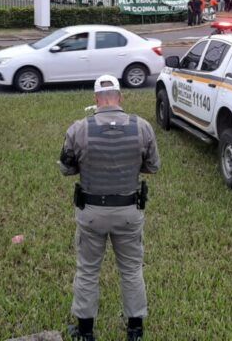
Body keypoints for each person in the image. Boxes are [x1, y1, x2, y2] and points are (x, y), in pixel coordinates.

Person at [59, 75, 161, 341]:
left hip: (91, 213)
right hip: (129, 212)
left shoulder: (79, 129)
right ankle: (135, 331)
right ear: (120, 97)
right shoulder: (142, 127)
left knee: (88, 270)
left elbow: (66, 168)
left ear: (96, 100)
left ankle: (85, 333)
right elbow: (152, 166)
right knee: (131, 270)